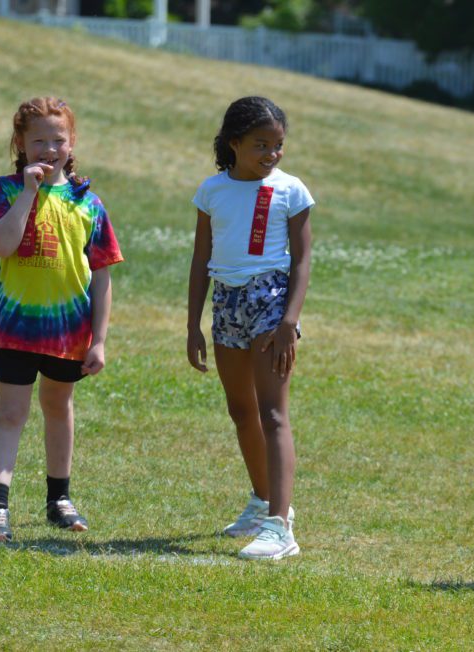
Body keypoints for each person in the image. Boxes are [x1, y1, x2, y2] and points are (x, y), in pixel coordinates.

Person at [0, 97, 123, 542]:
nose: (48, 148)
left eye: (58, 139)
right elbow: (2, 245)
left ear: (72, 142)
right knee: (9, 413)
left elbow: (102, 276)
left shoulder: (88, 202)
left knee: (59, 408)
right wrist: (28, 193)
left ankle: (59, 499)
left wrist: (99, 339)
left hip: (69, 333)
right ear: (20, 143)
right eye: (38, 140)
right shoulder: (4, 191)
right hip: (17, 330)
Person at [187, 96, 314, 560]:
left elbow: (301, 262)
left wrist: (289, 322)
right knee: (240, 410)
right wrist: (192, 325)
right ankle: (262, 503)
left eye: (278, 146)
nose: (272, 155)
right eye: (261, 145)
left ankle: (281, 528)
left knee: (272, 413)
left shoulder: (291, 191)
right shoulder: (211, 191)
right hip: (227, 302)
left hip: (270, 302)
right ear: (234, 143)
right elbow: (201, 260)